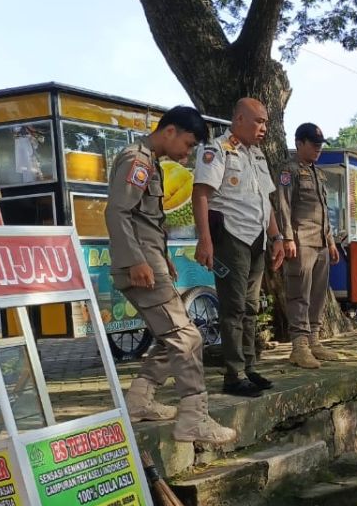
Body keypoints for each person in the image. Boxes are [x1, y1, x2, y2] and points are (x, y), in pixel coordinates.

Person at [106, 106, 237, 445]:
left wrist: (163, 257)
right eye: (189, 143)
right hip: (140, 267)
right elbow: (118, 212)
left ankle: (140, 399)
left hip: (152, 262)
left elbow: (147, 221)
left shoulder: (152, 163)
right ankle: (194, 418)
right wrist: (138, 261)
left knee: (174, 334)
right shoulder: (137, 161)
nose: (188, 152)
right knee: (187, 338)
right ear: (169, 131)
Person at [192, 97, 286, 398]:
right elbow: (201, 195)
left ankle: (249, 365)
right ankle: (233, 374)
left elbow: (266, 201)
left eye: (266, 123)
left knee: (250, 306)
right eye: (259, 121)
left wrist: (277, 238)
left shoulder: (256, 155)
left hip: (257, 237)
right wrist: (205, 240)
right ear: (240, 118)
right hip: (231, 236)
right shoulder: (217, 150)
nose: (264, 128)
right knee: (233, 307)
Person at [277, 122, 341, 369]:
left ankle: (314, 339)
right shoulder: (289, 170)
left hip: (321, 242)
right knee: (299, 294)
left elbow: (325, 211)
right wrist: (287, 237)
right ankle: (299, 345)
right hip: (301, 240)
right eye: (313, 145)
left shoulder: (318, 173)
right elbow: (283, 204)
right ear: (299, 143)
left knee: (317, 294)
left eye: (320, 146)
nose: (318, 150)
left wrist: (331, 242)